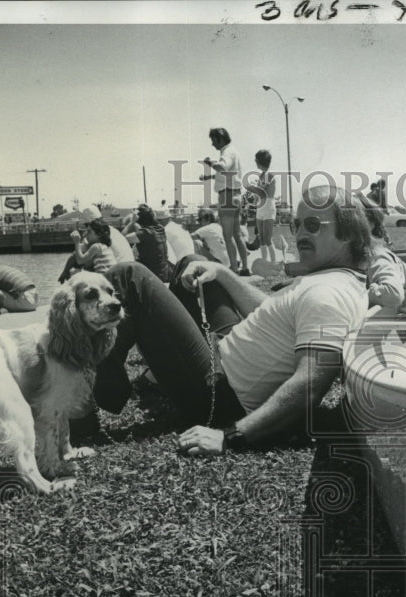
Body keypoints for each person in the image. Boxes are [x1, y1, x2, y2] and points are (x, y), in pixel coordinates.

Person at [93, 185, 371, 453]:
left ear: (347, 233)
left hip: (218, 395)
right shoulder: (332, 277)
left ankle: (91, 399)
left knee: (129, 278)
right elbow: (271, 310)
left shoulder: (327, 295)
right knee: (191, 262)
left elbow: (309, 386)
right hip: (226, 352)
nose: (300, 234)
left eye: (312, 225)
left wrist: (231, 436)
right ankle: (159, 374)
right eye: (296, 224)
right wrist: (223, 273)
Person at [200, 127, 250, 276]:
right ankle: (245, 268)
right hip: (236, 195)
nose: (212, 144)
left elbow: (222, 166)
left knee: (227, 236)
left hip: (227, 196)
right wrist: (209, 177)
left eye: (213, 140)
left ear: (220, 139)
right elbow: (227, 174)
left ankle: (234, 268)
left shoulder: (226, 152)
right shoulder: (234, 151)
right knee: (237, 234)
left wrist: (210, 163)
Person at [124, 203, 172, 282]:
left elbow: (121, 239)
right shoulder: (160, 228)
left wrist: (131, 222)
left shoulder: (145, 233)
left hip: (152, 277)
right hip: (163, 274)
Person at [250, 149, 277, 264]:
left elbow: (262, 191)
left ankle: (273, 262)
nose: (255, 162)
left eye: (256, 159)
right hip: (260, 208)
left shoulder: (269, 175)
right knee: (261, 238)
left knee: (267, 238)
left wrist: (253, 190)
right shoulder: (261, 176)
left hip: (268, 207)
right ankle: (265, 262)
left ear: (260, 161)